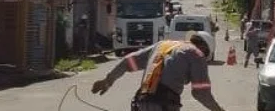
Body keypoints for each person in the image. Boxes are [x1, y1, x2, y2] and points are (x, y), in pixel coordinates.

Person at [91, 31, 226, 111]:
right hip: (164, 105)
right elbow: (200, 93)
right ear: (204, 48)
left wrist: (108, 80)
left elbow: (128, 62)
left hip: (141, 102)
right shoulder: (197, 54)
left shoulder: (162, 45)